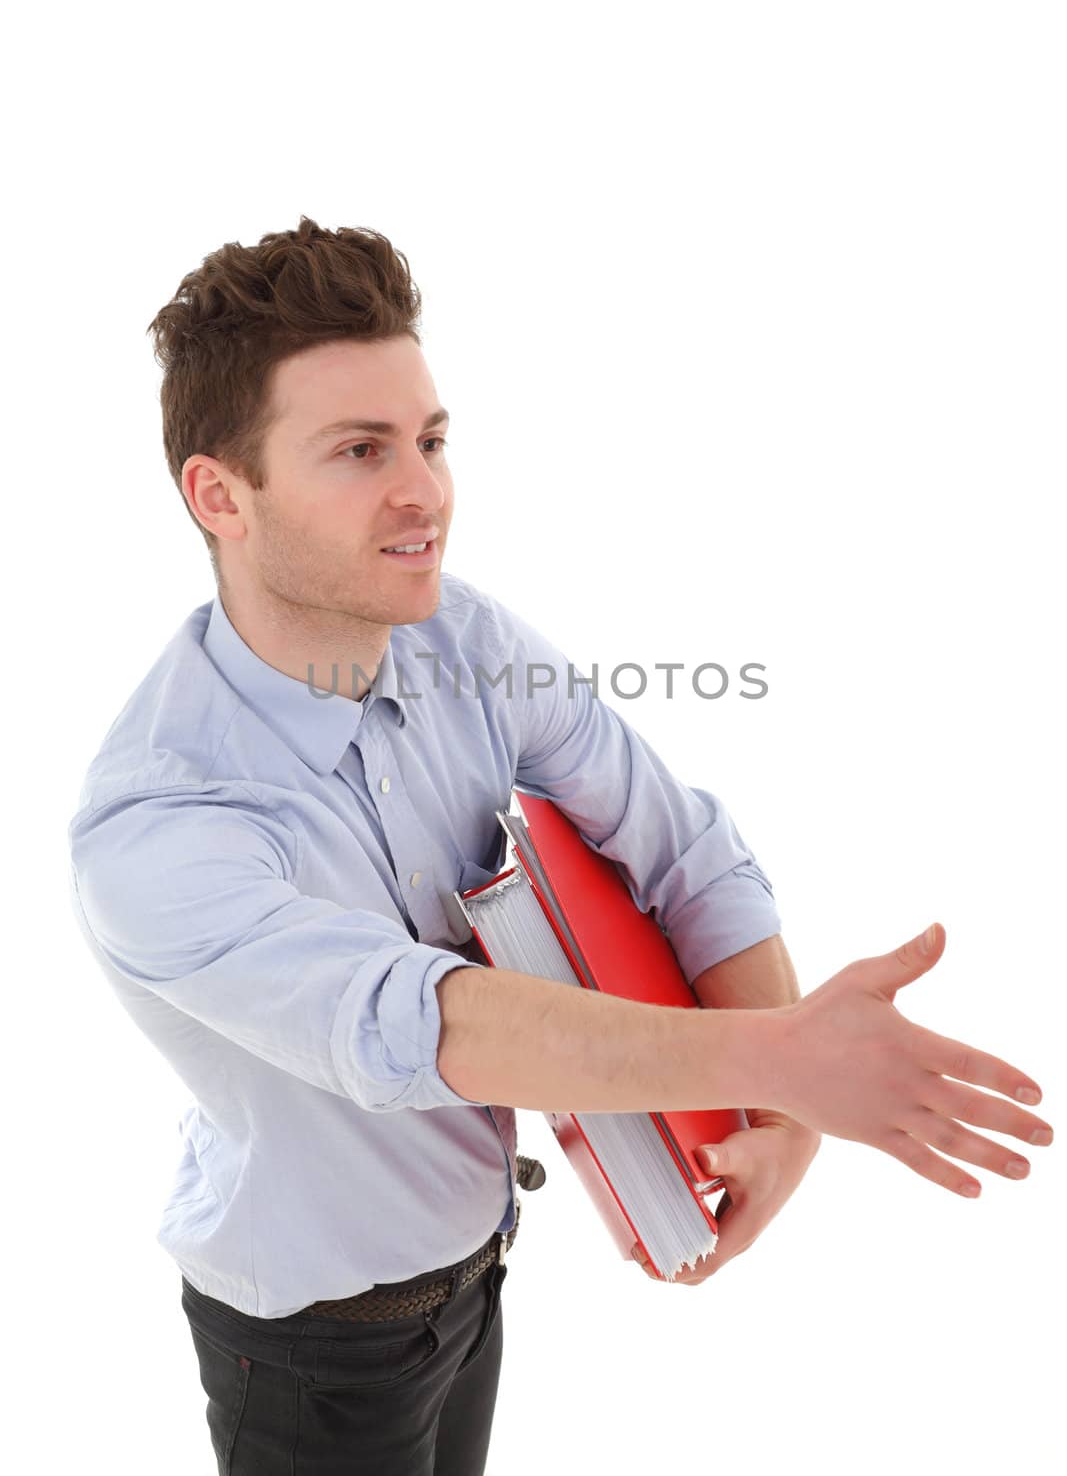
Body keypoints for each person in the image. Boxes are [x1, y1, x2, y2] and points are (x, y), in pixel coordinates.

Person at [66, 215, 1054, 1476]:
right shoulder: (157, 822)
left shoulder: (462, 639)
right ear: (221, 493)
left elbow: (679, 846)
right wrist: (789, 1059)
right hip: (306, 1345)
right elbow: (426, 1027)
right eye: (358, 451)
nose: (422, 489)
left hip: (477, 1274)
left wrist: (777, 1109)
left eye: (428, 439)